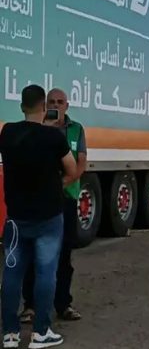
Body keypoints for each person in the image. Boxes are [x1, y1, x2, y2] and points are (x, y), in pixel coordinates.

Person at [0, 85, 78, 349]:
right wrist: (55, 186)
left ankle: (10, 334)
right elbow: (72, 170)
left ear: (22, 106)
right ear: (45, 107)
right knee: (46, 273)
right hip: (48, 218)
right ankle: (40, 333)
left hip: (16, 218)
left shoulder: (7, 132)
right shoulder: (54, 137)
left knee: (12, 274)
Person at [21, 89, 86, 325]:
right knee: (33, 254)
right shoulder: (37, 128)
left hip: (65, 198)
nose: (55, 106)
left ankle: (63, 304)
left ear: (67, 106)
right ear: (44, 105)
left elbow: (80, 163)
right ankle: (30, 306)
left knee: (64, 255)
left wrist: (60, 185)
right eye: (51, 102)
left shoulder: (76, 129)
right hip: (40, 201)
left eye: (60, 102)